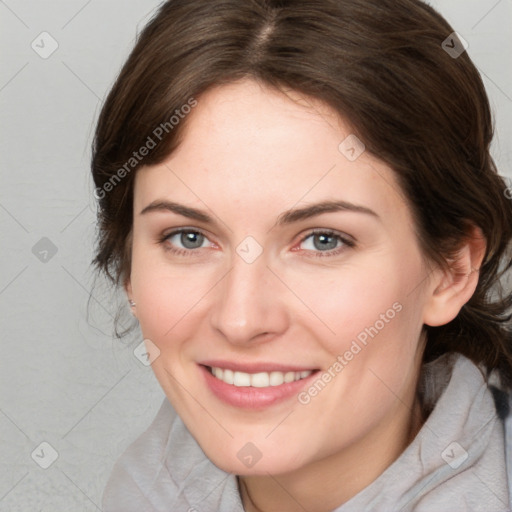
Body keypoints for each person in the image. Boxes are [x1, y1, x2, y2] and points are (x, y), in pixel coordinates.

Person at [91, 0, 512, 510]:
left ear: (450, 271)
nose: (241, 319)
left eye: (323, 240)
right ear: (131, 268)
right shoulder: (134, 490)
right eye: (189, 237)